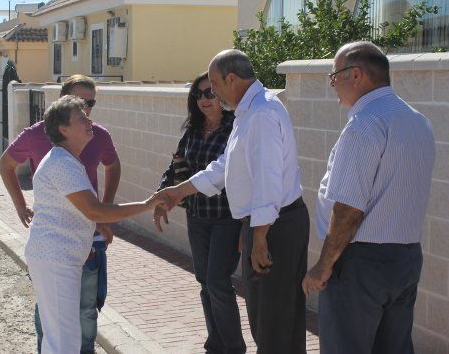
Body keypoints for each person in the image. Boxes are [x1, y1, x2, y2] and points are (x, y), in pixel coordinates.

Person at [158, 49, 309, 354]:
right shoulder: (249, 111)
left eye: (214, 85)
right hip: (268, 224)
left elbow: (268, 181)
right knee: (273, 320)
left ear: (231, 78)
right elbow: (225, 166)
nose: (212, 92)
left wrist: (259, 237)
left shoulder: (262, 114)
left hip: (273, 226)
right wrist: (179, 190)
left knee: (272, 322)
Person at [302, 41, 435, 354]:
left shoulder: (364, 124)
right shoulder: (418, 121)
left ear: (356, 75)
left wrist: (323, 265)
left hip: (361, 264)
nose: (333, 86)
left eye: (334, 77)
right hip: (406, 258)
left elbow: (348, 210)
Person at [25, 95, 164, 353]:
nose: (89, 121)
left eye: (87, 116)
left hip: (59, 257)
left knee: (61, 335)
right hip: (55, 258)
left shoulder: (67, 160)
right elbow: (95, 211)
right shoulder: (61, 164)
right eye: (81, 118)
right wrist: (147, 205)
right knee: (63, 339)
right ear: (63, 129)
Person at [0, 75, 121, 354]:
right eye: (81, 103)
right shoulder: (36, 134)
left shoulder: (96, 134)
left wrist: (104, 213)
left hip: (87, 237)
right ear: (64, 100)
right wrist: (19, 204)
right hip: (56, 245)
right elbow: (6, 164)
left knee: (87, 308)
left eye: (91, 103)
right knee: (52, 313)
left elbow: (113, 167)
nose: (87, 109)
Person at [154, 72, 246, 353]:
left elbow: (232, 171)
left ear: (220, 95)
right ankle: (216, 343)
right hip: (197, 217)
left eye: (210, 93)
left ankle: (233, 348)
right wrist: (162, 194)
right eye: (198, 94)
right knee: (205, 281)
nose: (204, 99)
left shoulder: (235, 127)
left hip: (228, 217)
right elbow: (176, 166)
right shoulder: (192, 130)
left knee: (218, 282)